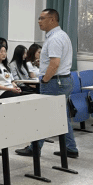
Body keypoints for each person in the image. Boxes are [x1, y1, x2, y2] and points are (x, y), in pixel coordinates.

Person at [16, 9, 79, 158]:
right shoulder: (62, 35)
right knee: (62, 116)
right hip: (63, 80)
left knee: (42, 115)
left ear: (52, 20)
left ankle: (34, 148)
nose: (39, 21)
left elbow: (55, 63)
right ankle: (70, 148)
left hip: (54, 82)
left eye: (42, 18)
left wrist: (45, 79)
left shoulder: (55, 38)